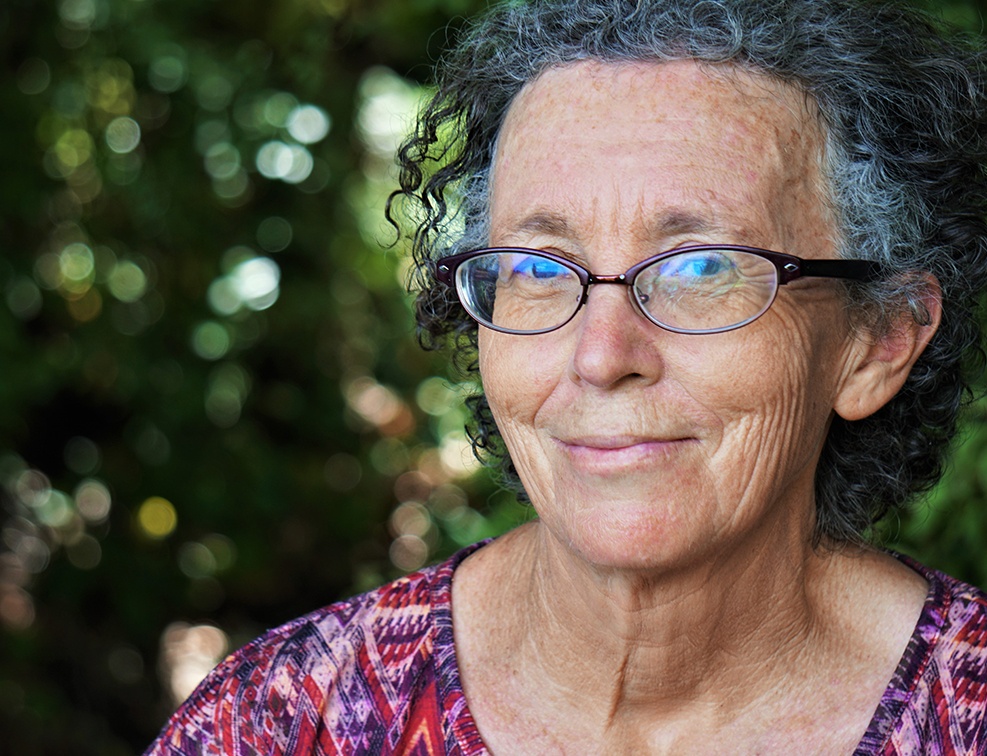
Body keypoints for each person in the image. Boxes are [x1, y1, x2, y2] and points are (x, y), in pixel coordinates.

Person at [146, 0, 987, 753]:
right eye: (539, 268)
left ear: (876, 339)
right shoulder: (282, 723)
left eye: (699, 269)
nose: (601, 355)